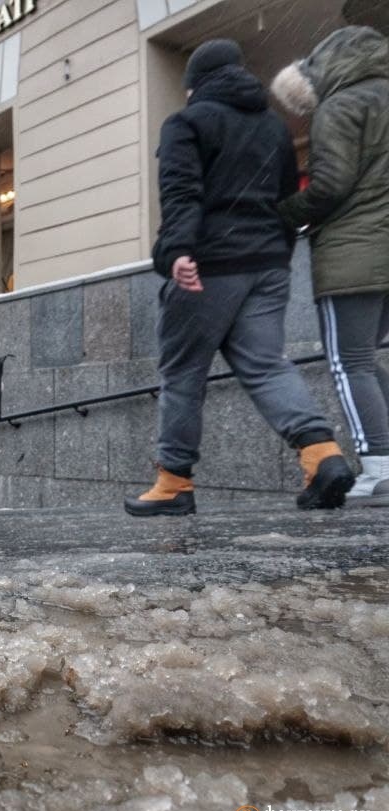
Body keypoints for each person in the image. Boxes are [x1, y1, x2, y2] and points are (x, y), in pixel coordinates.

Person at [125, 39, 355, 516]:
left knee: (183, 374)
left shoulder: (187, 123)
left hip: (209, 266)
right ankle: (321, 455)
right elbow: (288, 194)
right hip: (268, 264)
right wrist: (277, 251)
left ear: (194, 85)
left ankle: (173, 483)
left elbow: (181, 192)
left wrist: (178, 252)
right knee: (267, 364)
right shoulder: (273, 125)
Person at [272, 26, 389, 506]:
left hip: (354, 251)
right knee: (368, 358)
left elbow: (331, 185)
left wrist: (284, 213)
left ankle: (380, 466)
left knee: (349, 362)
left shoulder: (339, 106)